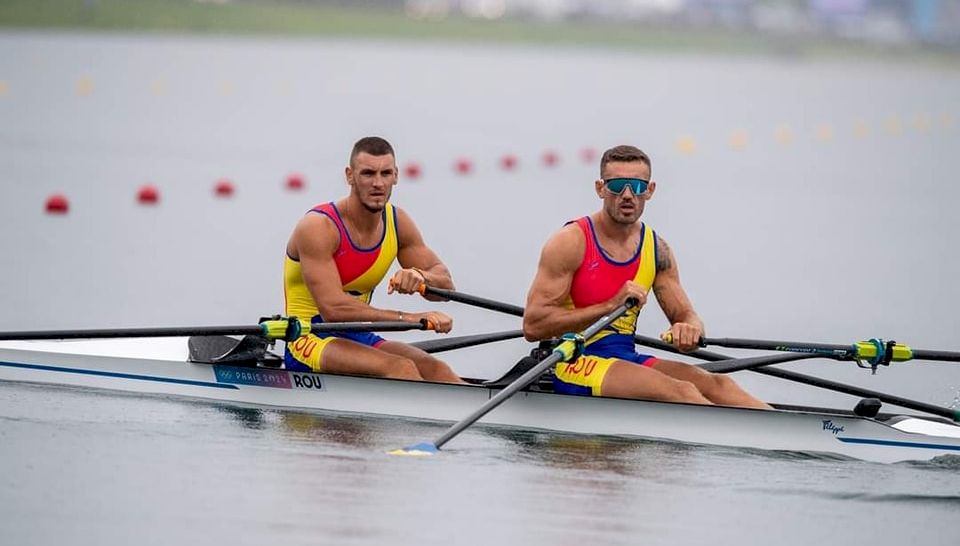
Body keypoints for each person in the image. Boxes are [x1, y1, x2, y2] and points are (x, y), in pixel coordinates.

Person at [522, 145, 770, 408]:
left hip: (625, 357)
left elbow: (685, 315)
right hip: (574, 360)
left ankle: (783, 434)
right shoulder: (570, 241)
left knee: (719, 385)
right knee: (683, 393)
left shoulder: (656, 248)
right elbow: (534, 325)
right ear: (600, 188)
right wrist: (609, 306)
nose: (628, 195)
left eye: (637, 186)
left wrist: (689, 329)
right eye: (617, 185)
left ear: (650, 191)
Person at [283, 136, 463, 383]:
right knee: (401, 369)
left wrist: (422, 277)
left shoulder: (398, 222)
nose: (378, 183)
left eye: (385, 173)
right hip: (307, 336)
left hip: (357, 336)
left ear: (396, 176)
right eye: (368, 173)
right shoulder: (318, 226)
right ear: (350, 175)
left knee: (438, 370)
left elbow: (445, 288)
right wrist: (409, 318)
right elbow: (333, 309)